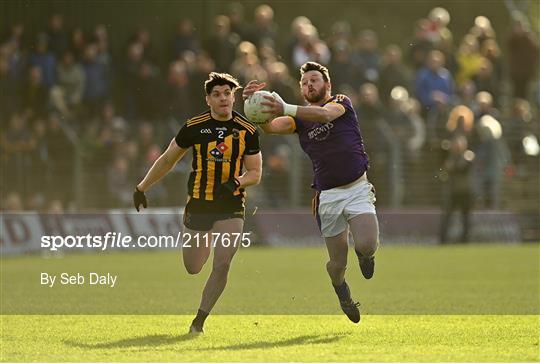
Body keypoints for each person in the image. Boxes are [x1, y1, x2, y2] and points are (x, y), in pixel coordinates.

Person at [243, 62, 379, 324]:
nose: (309, 85)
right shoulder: (298, 119)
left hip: (357, 189)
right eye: (305, 83)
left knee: (366, 245)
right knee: (337, 265)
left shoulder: (341, 102)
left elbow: (326, 115)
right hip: (327, 197)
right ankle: (342, 291)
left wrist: (286, 107)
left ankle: (366, 256)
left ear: (327, 85)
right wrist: (253, 106)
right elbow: (270, 127)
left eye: (315, 80)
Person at [133, 72, 262, 334]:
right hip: (199, 205)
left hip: (231, 205)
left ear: (233, 97)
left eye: (227, 93)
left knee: (223, 262)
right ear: (208, 100)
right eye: (217, 94)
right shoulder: (194, 127)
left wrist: (235, 183)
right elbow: (168, 160)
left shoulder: (247, 130)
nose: (223, 98)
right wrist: (142, 187)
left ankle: (199, 321)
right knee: (193, 267)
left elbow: (255, 173)